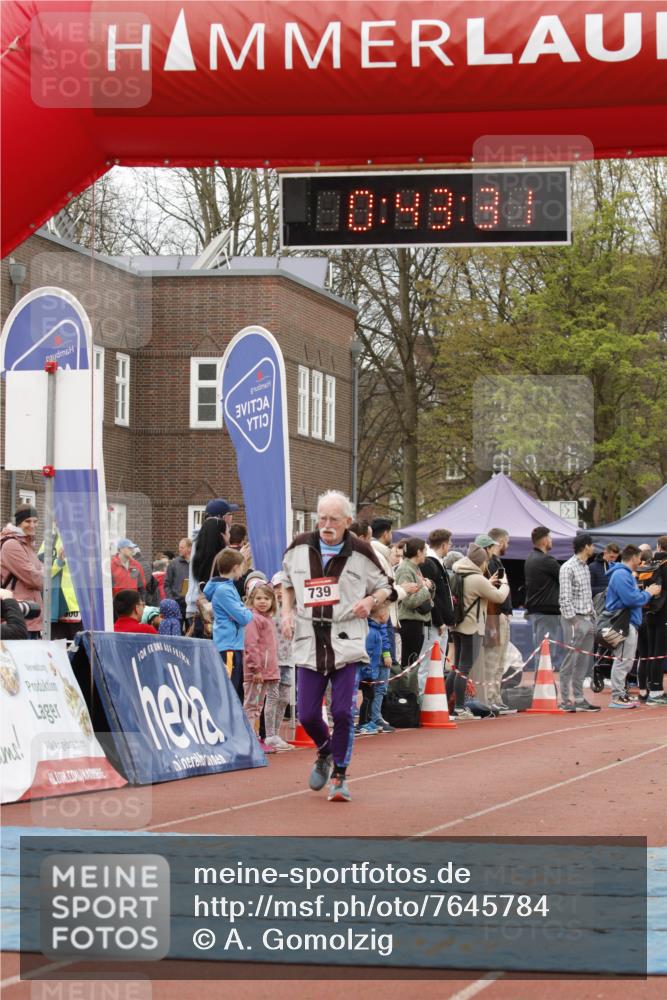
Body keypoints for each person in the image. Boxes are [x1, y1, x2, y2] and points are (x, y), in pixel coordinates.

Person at [280, 490, 395, 803]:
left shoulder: (363, 552)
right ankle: (325, 751)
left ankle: (340, 775)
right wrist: (287, 612)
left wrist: (371, 600)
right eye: (322, 518)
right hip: (308, 639)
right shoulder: (300, 546)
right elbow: (286, 581)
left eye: (333, 519)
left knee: (343, 711)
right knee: (306, 714)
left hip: (346, 639)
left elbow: (389, 587)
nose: (326, 525)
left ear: (348, 521)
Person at [448, 543, 510, 720]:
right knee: (464, 669)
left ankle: (447, 703)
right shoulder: (477, 578)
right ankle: (460, 708)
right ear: (481, 562)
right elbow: (499, 596)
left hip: (458, 625)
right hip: (472, 627)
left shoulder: (459, 572)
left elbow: (475, 590)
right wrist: (504, 584)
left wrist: (487, 583)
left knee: (457, 668)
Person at [605, 544, 661, 709]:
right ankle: (617, 696)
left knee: (625, 661)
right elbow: (632, 599)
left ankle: (620, 694)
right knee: (623, 661)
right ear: (634, 557)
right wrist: (649, 592)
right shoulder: (621, 574)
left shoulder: (623, 574)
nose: (641, 561)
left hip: (627, 622)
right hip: (623, 622)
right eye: (639, 557)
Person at [558, 533, 600, 712]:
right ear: (586, 546)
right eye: (592, 545)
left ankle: (579, 697)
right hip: (574, 619)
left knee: (583, 660)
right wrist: (574, 621)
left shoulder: (585, 567)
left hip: (587, 618)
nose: (594, 548)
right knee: (570, 658)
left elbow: (586, 595)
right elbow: (564, 598)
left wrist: (592, 617)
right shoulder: (568, 567)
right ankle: (566, 699)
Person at [204, 548, 253, 700]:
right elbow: (244, 617)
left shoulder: (227, 587)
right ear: (235, 568)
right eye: (242, 567)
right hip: (228, 646)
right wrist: (246, 610)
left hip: (232, 644)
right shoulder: (224, 590)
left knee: (233, 690)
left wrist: (242, 611)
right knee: (229, 691)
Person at [480, 528, 515, 715]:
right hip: (494, 616)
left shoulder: (497, 562)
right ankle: (490, 697)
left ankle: (496, 696)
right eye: (506, 542)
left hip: (501, 615)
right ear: (500, 542)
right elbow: (495, 591)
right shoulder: (488, 563)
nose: (507, 546)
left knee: (500, 660)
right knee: (492, 660)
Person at [185, 498, 238, 623]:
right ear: (222, 517)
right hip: (206, 609)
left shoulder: (199, 541)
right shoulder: (210, 544)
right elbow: (216, 574)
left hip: (196, 605)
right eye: (230, 514)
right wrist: (228, 550)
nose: (232, 518)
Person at [243, 582, 281, 754]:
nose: (263, 601)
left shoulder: (268, 620)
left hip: (266, 671)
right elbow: (251, 645)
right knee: (252, 705)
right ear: (251, 600)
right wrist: (256, 669)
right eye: (258, 598)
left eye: (266, 598)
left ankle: (254, 736)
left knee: (257, 706)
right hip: (256, 673)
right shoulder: (253, 619)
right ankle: (248, 739)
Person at [395, 537, 433, 698]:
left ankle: (409, 697)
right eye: (424, 551)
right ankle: (404, 698)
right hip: (409, 621)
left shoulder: (415, 568)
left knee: (413, 663)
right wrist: (425, 588)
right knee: (409, 663)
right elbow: (409, 601)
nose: (426, 554)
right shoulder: (405, 570)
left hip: (417, 620)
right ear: (418, 552)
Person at [0, 505, 44, 637]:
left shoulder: (26, 543)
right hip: (18, 617)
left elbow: (39, 574)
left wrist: (41, 573)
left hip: (32, 616)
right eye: (28, 521)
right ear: (19, 523)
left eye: (35, 521)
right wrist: (42, 574)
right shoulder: (11, 545)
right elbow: (34, 579)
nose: (33, 525)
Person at [265, 573, 295, 751]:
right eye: (277, 587)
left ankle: (276, 733)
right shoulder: (270, 610)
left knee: (284, 698)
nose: (280, 591)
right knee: (273, 697)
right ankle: (270, 736)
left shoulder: (294, 610)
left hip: (289, 660)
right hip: (273, 660)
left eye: (284, 588)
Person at [357, 600, 394, 735]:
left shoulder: (376, 631)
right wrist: (369, 672)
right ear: (381, 615)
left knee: (370, 696)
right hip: (368, 672)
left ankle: (367, 721)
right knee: (367, 697)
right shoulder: (372, 633)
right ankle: (363, 723)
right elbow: (369, 654)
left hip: (370, 671)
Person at [525, 526, 562, 657]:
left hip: (537, 612)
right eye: (550, 538)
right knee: (546, 654)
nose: (552, 541)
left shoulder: (530, 559)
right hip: (547, 613)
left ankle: (540, 678)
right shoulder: (546, 560)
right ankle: (542, 678)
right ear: (545, 540)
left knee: (541, 652)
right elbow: (566, 577)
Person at [642, 536, 667, 705]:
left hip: (648, 610)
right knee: (659, 651)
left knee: (650, 652)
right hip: (664, 611)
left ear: (658, 546)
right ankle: (657, 691)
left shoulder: (648, 564)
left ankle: (650, 686)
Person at [164, 537, 192, 618]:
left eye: (182, 547)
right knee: (177, 628)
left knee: (192, 629)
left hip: (191, 603)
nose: (179, 549)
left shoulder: (195, 564)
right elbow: (167, 584)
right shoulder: (173, 564)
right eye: (179, 547)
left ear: (189, 549)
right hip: (177, 603)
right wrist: (172, 600)